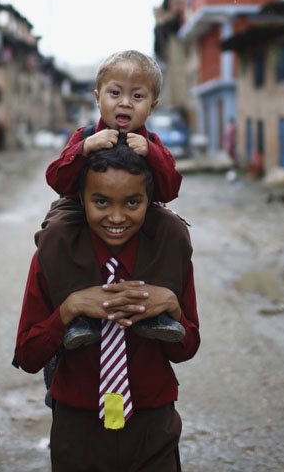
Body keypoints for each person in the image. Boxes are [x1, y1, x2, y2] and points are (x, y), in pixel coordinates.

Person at [15, 136, 200, 471]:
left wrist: (173, 307)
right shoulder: (53, 260)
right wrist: (68, 310)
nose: (117, 217)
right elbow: (27, 356)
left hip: (152, 424)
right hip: (78, 426)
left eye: (132, 203)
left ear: (150, 201)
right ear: (81, 200)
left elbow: (185, 349)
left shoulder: (168, 258)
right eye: (101, 202)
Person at [43, 49, 185, 349]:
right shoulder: (85, 136)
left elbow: (171, 189)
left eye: (137, 96)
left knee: (174, 229)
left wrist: (153, 154)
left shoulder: (154, 144)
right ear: (98, 98)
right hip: (80, 208)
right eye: (115, 92)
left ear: (152, 105)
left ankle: (156, 312)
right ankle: (79, 317)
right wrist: (82, 150)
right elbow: (55, 179)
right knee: (54, 230)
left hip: (142, 212)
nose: (124, 102)